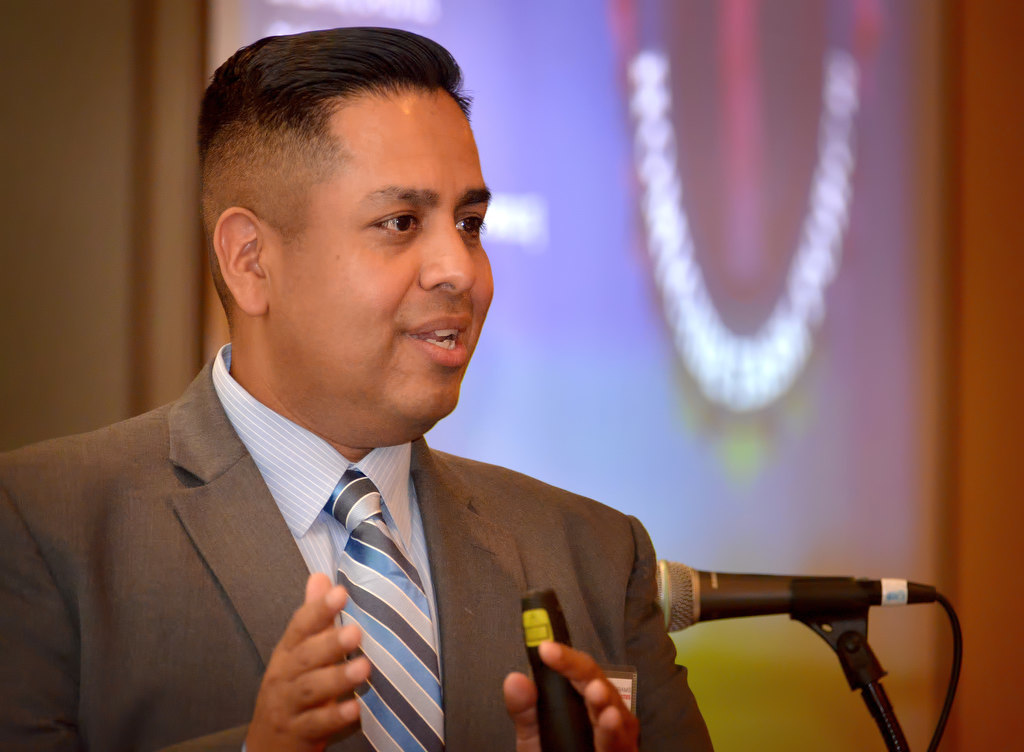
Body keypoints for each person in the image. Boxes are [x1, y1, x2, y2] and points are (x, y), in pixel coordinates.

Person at [0, 27, 713, 752]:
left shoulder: (593, 553)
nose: (459, 270)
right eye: (401, 223)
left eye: (469, 224)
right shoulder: (43, 527)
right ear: (251, 261)